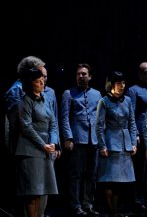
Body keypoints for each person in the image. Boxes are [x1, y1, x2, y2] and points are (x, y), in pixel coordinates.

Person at [15, 67, 60, 217]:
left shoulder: (46, 99)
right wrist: (42, 145)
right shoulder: (25, 101)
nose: (42, 82)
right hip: (31, 151)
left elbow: (53, 123)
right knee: (33, 193)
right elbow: (26, 127)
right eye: (37, 80)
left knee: (43, 191)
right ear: (30, 83)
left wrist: (53, 143)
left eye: (43, 79)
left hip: (46, 151)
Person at [60, 63, 102, 216]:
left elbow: (100, 117)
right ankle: (75, 205)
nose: (81, 76)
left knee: (91, 174)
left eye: (84, 74)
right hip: (77, 139)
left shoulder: (97, 94)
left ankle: (88, 203)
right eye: (78, 74)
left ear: (90, 76)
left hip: (94, 140)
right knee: (75, 174)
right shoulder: (68, 93)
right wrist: (68, 137)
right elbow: (64, 117)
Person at [96, 71, 137, 216]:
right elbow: (99, 126)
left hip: (124, 143)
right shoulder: (104, 101)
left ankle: (116, 210)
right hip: (110, 142)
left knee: (121, 182)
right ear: (112, 85)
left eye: (123, 83)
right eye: (119, 83)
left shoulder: (127, 101)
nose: (122, 86)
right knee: (109, 180)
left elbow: (132, 122)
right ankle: (111, 212)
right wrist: (102, 146)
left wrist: (133, 143)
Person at [126, 62, 147, 212]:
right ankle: (140, 198)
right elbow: (130, 114)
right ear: (140, 74)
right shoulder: (133, 90)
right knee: (142, 168)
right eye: (146, 72)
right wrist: (135, 134)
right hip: (142, 134)